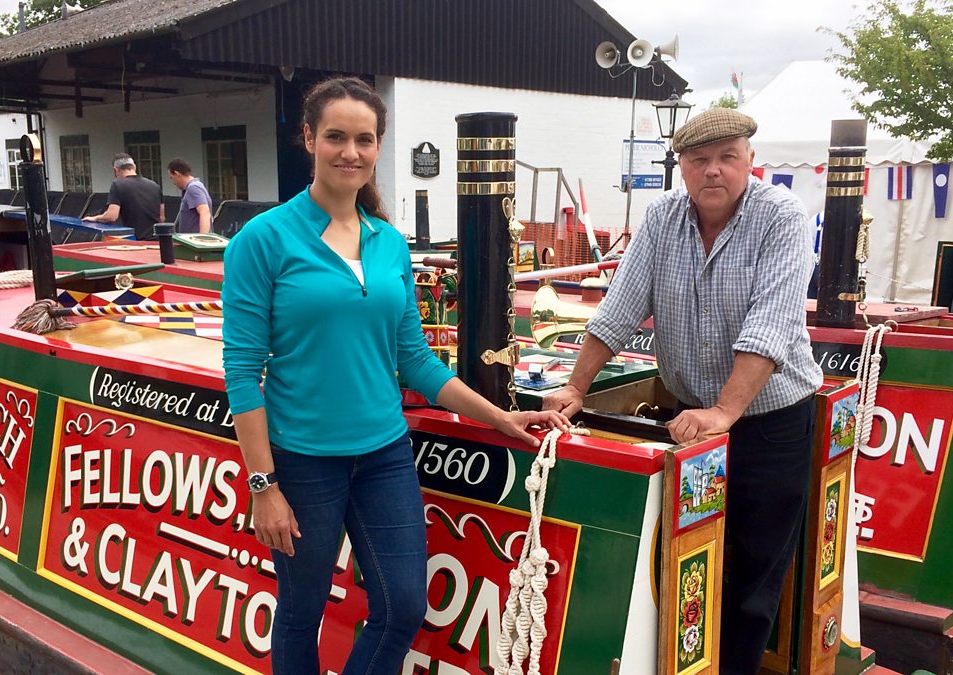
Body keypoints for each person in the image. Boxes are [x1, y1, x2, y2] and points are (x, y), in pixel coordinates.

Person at [221, 76, 568, 675]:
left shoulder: (389, 244)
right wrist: (263, 487)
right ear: (308, 139)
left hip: (383, 453)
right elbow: (243, 372)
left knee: (403, 605)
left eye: (364, 139)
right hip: (302, 460)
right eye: (335, 137)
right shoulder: (263, 240)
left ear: (379, 145)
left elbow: (415, 360)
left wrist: (499, 416)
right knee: (301, 610)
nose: (350, 152)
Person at [543, 108, 822, 675]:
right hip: (690, 419)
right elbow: (621, 305)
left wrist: (725, 410)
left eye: (727, 157)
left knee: (750, 575)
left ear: (750, 160)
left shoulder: (782, 216)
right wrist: (574, 386)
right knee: (688, 567)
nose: (713, 171)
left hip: (769, 422)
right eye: (699, 160)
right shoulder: (663, 215)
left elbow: (770, 324)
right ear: (682, 167)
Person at [83, 153, 164, 239]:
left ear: (116, 170)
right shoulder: (155, 186)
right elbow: (162, 217)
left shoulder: (118, 185)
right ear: (134, 167)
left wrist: (95, 219)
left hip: (137, 241)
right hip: (157, 241)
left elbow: (112, 216)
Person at [167, 157, 212, 234]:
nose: (173, 182)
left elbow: (204, 212)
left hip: (195, 242)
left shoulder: (193, 188)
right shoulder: (193, 187)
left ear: (177, 174)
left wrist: (202, 239)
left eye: (171, 177)